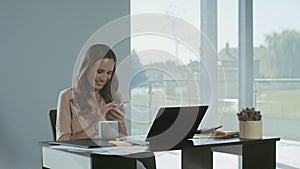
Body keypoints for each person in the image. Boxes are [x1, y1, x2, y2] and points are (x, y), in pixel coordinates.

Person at [56, 44, 156, 169]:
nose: (104, 78)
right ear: (86, 69)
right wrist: (98, 122)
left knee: (146, 159)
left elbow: (122, 141)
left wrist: (121, 122)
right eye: (99, 71)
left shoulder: (114, 97)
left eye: (109, 73)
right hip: (81, 159)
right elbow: (62, 140)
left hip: (110, 156)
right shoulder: (68, 97)